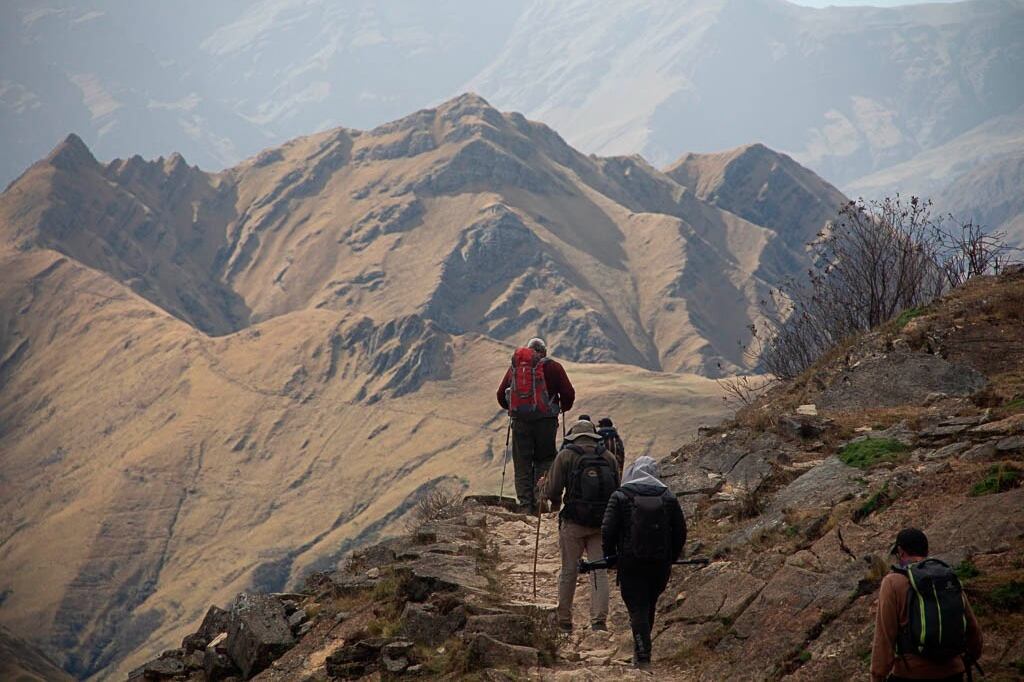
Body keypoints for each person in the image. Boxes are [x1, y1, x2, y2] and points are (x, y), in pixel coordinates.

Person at [602, 456, 685, 668]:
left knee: (637, 608)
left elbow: (608, 529)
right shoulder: (668, 496)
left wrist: (610, 557)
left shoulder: (620, 495)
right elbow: (681, 531)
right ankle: (641, 652)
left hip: (630, 562)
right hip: (660, 564)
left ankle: (643, 656)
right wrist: (672, 557)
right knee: (649, 605)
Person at [870, 528, 983, 682]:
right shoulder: (946, 577)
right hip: (953, 672)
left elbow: (884, 635)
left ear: (901, 552)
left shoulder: (893, 582)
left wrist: (878, 675)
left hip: (911, 674)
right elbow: (972, 628)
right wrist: (965, 660)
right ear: (927, 550)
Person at [542, 420, 619, 632]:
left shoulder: (566, 455)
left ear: (574, 436)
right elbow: (617, 491)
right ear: (593, 435)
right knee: (599, 571)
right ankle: (598, 622)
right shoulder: (608, 457)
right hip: (601, 524)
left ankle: (564, 620)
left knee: (569, 570)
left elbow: (553, 489)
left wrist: (552, 500)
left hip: (573, 522)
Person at [496, 337, 575, 513]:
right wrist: (562, 408)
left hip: (520, 422)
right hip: (546, 422)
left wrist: (514, 409)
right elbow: (569, 393)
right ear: (544, 352)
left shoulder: (516, 368)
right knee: (545, 459)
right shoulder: (554, 367)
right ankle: (540, 498)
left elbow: (501, 394)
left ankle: (525, 506)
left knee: (522, 463)